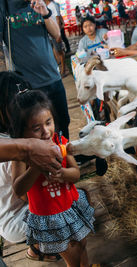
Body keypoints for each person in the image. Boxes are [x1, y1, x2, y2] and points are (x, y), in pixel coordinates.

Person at [9, 90, 94, 266]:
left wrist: (63, 174)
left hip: (71, 206)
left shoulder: (59, 141)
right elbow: (18, 190)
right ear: (22, 132)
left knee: (83, 244)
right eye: (36, 128)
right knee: (73, 256)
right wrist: (36, 167)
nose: (46, 131)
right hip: (50, 218)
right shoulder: (22, 155)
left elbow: (76, 173)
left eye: (48, 122)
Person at [0, 71, 63, 262]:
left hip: (11, 212)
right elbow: (23, 194)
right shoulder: (16, 148)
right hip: (15, 218)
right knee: (68, 214)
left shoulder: (13, 140)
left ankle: (38, 247)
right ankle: (41, 247)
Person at [0, 0, 71, 139]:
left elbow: (57, 35)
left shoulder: (38, 3)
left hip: (53, 77)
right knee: (38, 131)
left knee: (62, 122)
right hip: (28, 85)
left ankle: (64, 158)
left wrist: (45, 13)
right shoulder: (4, 6)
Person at [45, 0, 68, 77]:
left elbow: (57, 19)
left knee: (60, 51)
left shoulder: (52, 5)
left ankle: (63, 71)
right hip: (48, 33)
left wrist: (58, 34)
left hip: (54, 33)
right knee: (54, 51)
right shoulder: (45, 6)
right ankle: (59, 68)